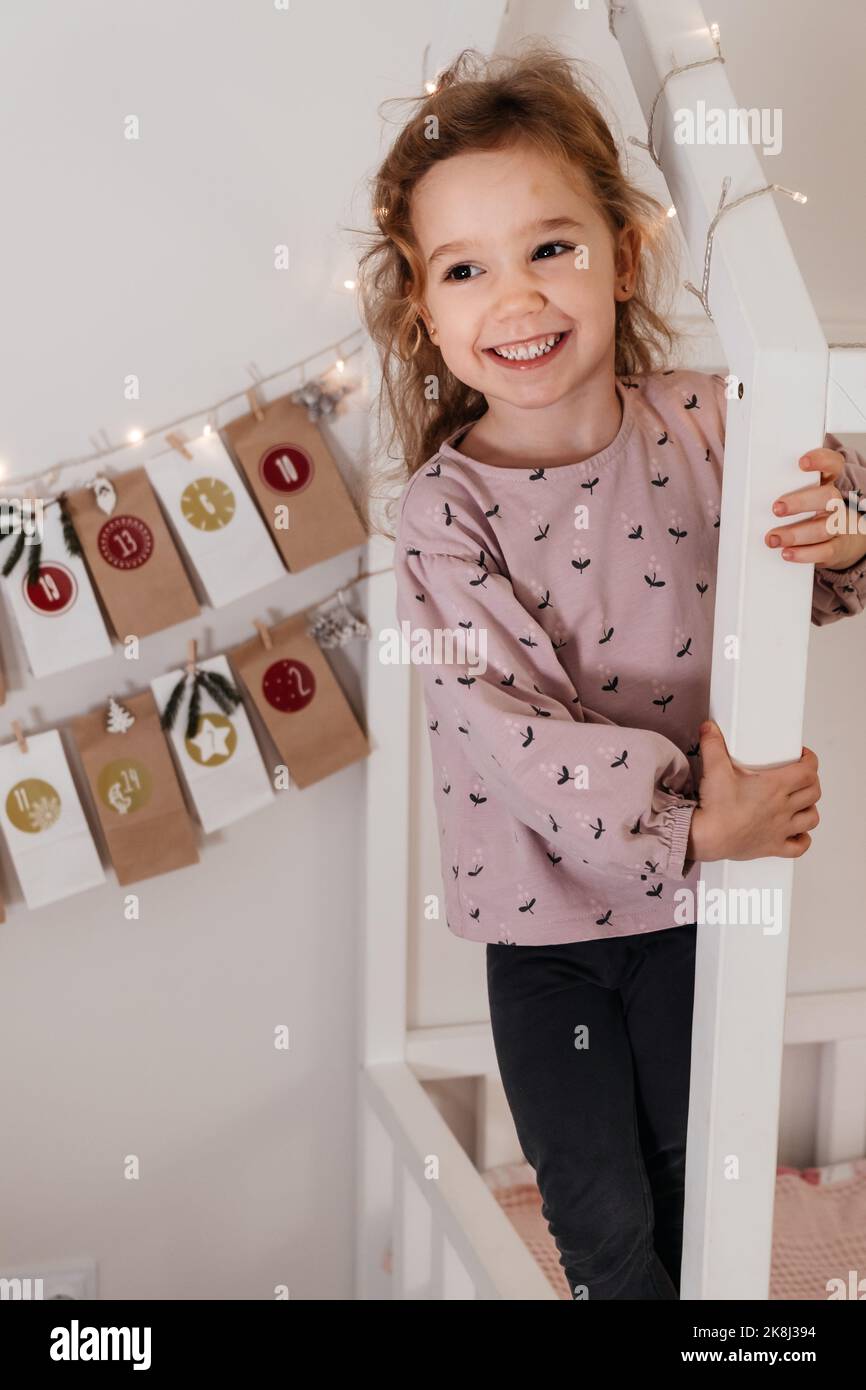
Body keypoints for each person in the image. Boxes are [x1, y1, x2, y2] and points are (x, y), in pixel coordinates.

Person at [357, 42, 866, 1299]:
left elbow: (830, 515)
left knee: (706, 1193)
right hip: (552, 932)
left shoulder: (716, 419)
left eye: (550, 248)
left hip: (703, 913)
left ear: (622, 255)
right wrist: (701, 821)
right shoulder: (444, 511)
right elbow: (511, 734)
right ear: (426, 313)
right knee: (600, 1219)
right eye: (465, 270)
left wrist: (848, 517)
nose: (515, 299)